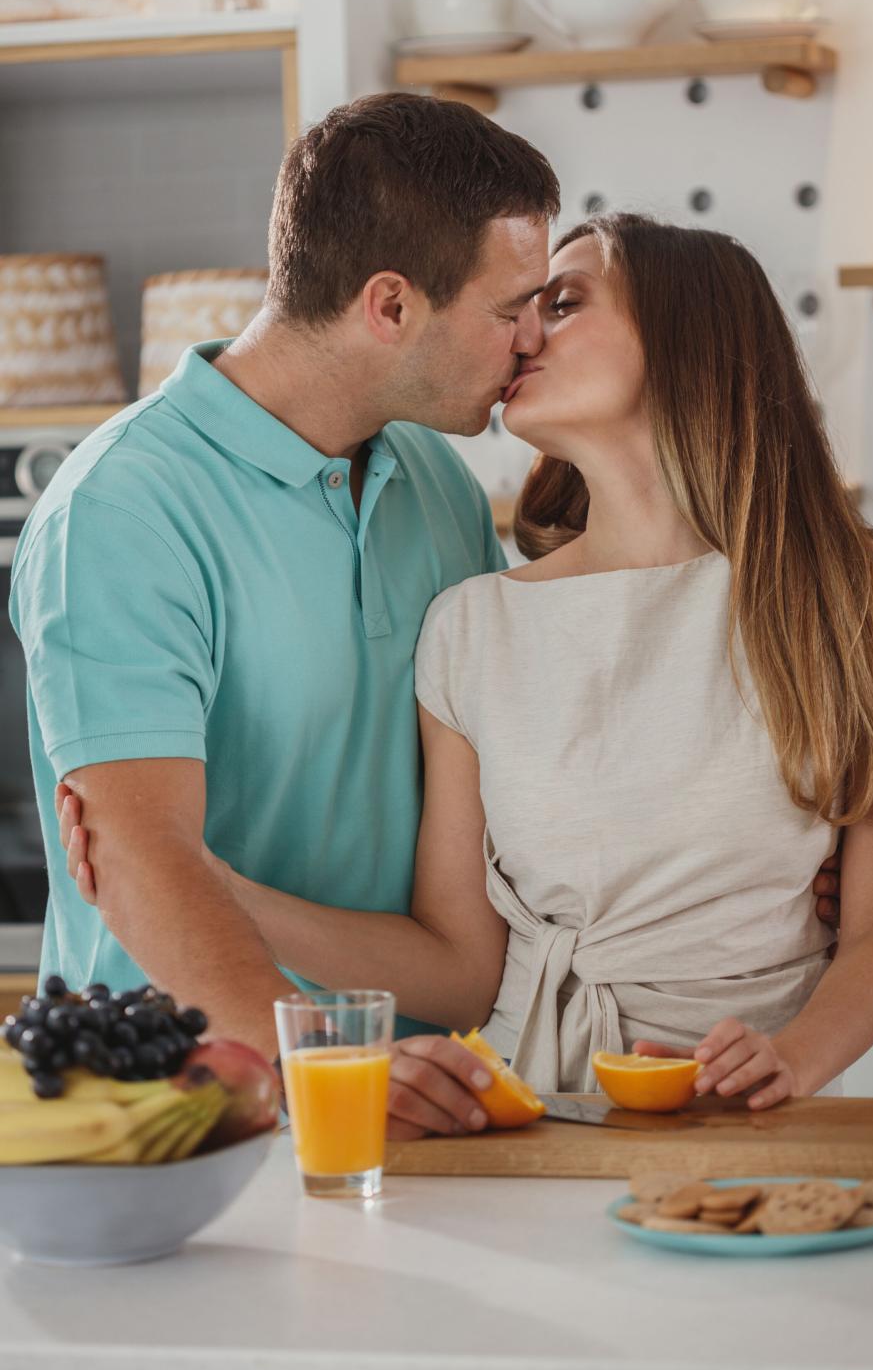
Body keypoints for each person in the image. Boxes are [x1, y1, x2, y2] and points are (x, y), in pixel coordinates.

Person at [66, 213, 873, 1131]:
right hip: (529, 1125)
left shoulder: (868, 602)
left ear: (694, 333)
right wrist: (222, 889)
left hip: (762, 1126)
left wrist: (791, 1059)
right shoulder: (474, 625)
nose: (525, 334)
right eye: (525, 307)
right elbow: (460, 970)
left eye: (562, 303)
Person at [10, 92, 563, 1138]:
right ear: (389, 306)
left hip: (411, 1098)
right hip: (175, 1119)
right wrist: (326, 1065)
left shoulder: (435, 483)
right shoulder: (122, 509)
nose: (532, 342)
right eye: (510, 310)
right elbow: (141, 858)